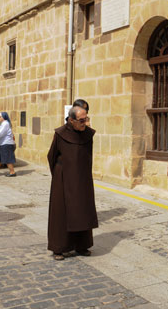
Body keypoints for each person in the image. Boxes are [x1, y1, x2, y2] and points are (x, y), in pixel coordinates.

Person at [47, 105, 98, 260]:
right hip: (62, 179)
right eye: (82, 120)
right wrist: (58, 175)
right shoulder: (60, 134)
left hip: (82, 178)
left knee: (83, 210)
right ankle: (59, 247)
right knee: (61, 213)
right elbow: (52, 156)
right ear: (71, 120)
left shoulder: (88, 134)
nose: (85, 123)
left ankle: (82, 245)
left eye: (86, 119)